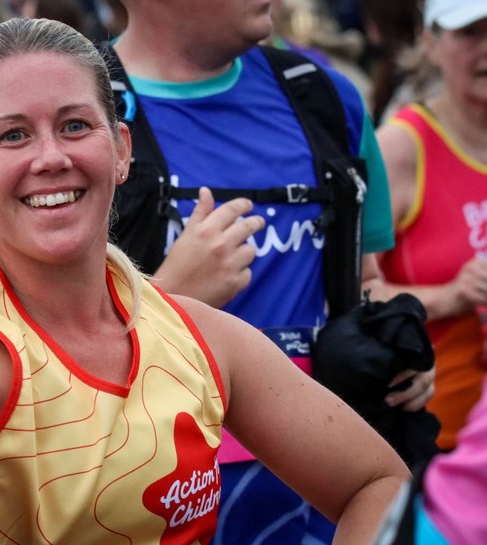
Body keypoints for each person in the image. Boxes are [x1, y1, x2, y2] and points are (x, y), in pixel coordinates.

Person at [0, 17, 409, 545]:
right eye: (14, 135)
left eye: (74, 126)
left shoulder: (192, 334)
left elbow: (378, 484)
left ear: (121, 151)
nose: (51, 157)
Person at [106, 1, 435, 544]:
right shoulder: (77, 117)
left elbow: (365, 281)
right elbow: (30, 344)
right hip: (153, 492)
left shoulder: (329, 100)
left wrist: (396, 352)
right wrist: (166, 301)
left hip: (324, 489)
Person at [376, 0, 487, 455]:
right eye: (470, 33)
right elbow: (347, 295)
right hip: (435, 443)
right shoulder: (401, 148)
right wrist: (450, 296)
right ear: (430, 43)